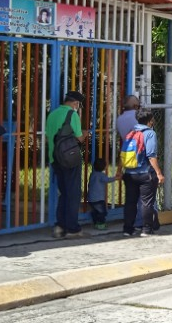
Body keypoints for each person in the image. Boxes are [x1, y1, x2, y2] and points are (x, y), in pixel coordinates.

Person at [45, 91, 88, 239]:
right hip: (70, 160)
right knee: (73, 194)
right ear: (75, 104)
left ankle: (60, 226)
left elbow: (48, 136)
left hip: (55, 158)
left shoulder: (52, 114)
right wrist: (86, 133)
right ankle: (72, 228)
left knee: (64, 193)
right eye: (78, 104)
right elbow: (79, 138)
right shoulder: (72, 115)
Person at [121, 108, 164, 237]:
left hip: (129, 173)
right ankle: (146, 230)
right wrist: (159, 173)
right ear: (150, 121)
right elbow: (151, 156)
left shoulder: (130, 132)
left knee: (130, 202)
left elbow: (123, 154)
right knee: (147, 202)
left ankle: (127, 229)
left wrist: (119, 170)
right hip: (145, 173)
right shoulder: (150, 134)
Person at [87, 158, 120, 230]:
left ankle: (95, 223)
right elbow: (108, 180)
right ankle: (101, 224)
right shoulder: (101, 175)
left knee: (94, 212)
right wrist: (116, 178)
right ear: (104, 167)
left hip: (91, 198)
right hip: (99, 199)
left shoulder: (92, 174)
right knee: (102, 212)